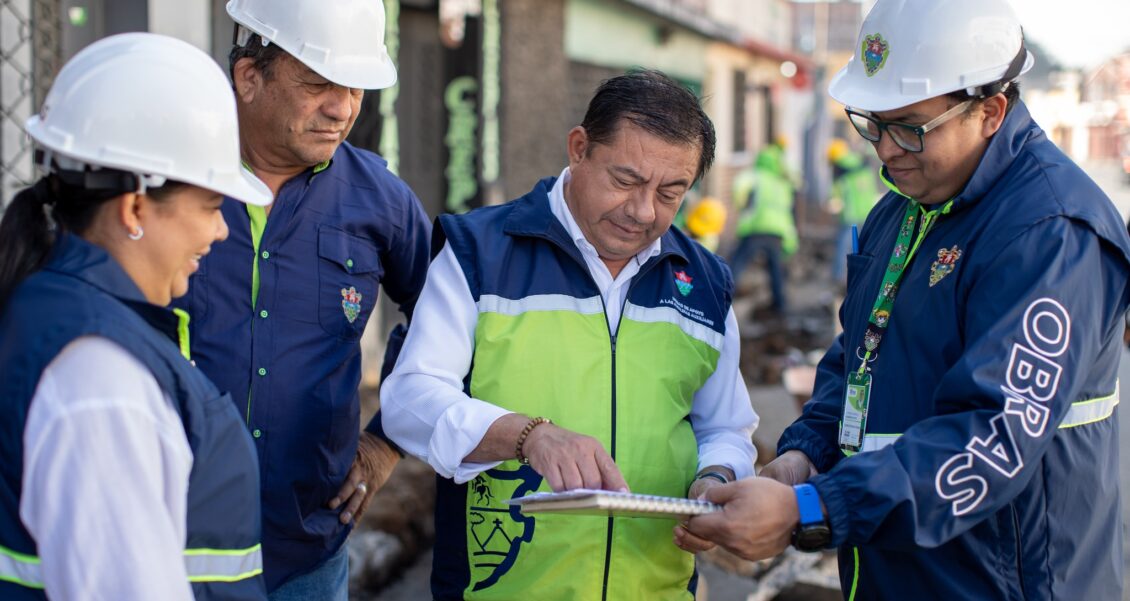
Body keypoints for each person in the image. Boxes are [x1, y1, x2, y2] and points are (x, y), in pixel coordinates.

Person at [681, 1, 1130, 599]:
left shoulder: (1049, 232)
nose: (886, 150)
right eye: (872, 122)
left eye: (910, 128)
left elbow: (992, 435)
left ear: (991, 110)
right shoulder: (901, 210)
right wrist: (804, 458)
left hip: (1004, 581)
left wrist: (812, 508)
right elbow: (857, 359)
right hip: (895, 570)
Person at [381, 70, 758, 600]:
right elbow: (408, 398)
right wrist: (527, 434)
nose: (643, 211)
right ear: (579, 148)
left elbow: (726, 427)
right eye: (625, 181)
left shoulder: (705, 283)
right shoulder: (480, 253)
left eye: (671, 192)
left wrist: (715, 480)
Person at [170, 0, 432, 596]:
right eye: (317, 85)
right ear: (249, 77)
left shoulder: (380, 200)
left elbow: (448, 319)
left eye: (356, 88)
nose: (342, 109)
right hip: (171, 544)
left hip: (307, 554)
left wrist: (388, 440)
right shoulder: (172, 177)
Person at [0, 33, 272, 600]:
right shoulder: (99, 379)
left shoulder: (67, 317)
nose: (220, 230)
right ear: (134, 206)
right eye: (212, 205)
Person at [728, 140, 797, 311]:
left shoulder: (754, 176)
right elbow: (787, 212)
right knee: (776, 269)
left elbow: (738, 189)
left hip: (755, 227)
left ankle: (723, 296)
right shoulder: (782, 184)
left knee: (738, 263)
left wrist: (741, 206)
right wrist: (791, 242)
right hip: (777, 232)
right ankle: (779, 304)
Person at [826, 138, 879, 283]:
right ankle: (866, 278)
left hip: (850, 216)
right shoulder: (862, 166)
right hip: (868, 214)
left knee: (843, 247)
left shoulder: (841, 173)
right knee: (866, 248)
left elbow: (835, 199)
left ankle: (840, 278)